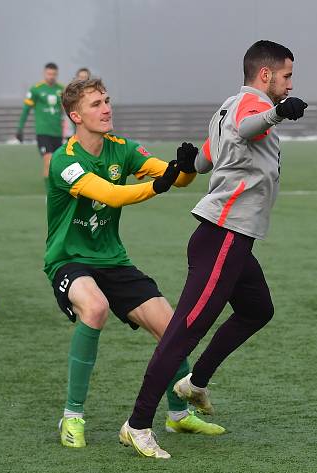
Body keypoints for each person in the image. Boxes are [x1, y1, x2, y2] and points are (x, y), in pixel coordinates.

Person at [119, 40, 308, 459]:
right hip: (222, 236)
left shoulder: (227, 107)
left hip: (233, 241)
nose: (290, 83)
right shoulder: (249, 108)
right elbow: (246, 129)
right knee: (182, 331)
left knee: (258, 310)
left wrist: (187, 159)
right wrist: (279, 111)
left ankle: (195, 383)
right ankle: (137, 424)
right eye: (287, 75)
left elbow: (205, 161)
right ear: (266, 75)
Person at [46, 77, 225, 449]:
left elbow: (176, 179)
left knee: (173, 328)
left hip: (113, 261)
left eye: (107, 100)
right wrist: (157, 186)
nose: (106, 108)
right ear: (76, 115)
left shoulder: (122, 148)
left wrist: (186, 166)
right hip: (69, 261)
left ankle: (178, 416)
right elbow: (109, 195)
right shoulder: (64, 160)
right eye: (96, 104)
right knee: (94, 308)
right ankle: (72, 416)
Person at [16, 62, 65, 180]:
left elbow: (67, 110)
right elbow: (26, 110)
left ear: (57, 74)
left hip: (57, 133)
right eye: (49, 73)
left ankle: (57, 193)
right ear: (44, 73)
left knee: (58, 166)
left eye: (54, 74)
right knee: (48, 161)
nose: (51, 76)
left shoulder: (62, 89)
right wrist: (20, 129)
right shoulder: (36, 89)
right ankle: (49, 197)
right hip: (43, 132)